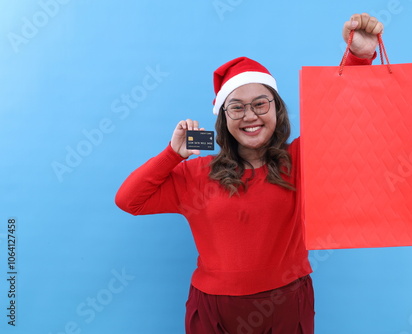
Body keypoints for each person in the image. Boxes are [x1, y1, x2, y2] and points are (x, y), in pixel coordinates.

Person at [115, 13, 383, 334]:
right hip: (213, 310)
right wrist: (172, 154)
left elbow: (340, 112)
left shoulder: (300, 158)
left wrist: (359, 56)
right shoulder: (196, 173)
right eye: (237, 107)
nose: (250, 116)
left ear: (276, 108)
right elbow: (128, 200)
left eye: (260, 103)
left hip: (285, 305)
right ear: (224, 117)